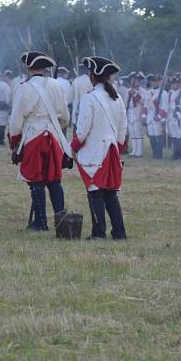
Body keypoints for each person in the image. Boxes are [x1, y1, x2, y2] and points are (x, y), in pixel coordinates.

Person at [8, 51, 70, 232]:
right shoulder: (57, 85)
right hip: (53, 136)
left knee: (35, 181)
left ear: (29, 68)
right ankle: (61, 221)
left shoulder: (23, 87)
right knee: (54, 180)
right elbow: (65, 117)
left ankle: (41, 223)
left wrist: (15, 141)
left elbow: (16, 120)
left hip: (33, 136)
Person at [72, 56, 128, 240]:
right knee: (111, 194)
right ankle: (119, 232)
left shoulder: (89, 98)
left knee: (95, 192)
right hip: (112, 151)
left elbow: (82, 129)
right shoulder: (117, 97)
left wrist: (74, 146)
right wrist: (118, 148)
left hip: (94, 150)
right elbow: (123, 128)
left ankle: (99, 232)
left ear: (92, 75)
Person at [125, 71, 148, 157]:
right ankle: (134, 151)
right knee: (132, 133)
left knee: (138, 132)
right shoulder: (128, 90)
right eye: (133, 80)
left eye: (137, 80)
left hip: (138, 112)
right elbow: (125, 103)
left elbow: (143, 101)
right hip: (130, 113)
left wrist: (134, 94)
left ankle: (139, 152)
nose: (135, 82)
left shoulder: (143, 91)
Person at [145, 74, 168, 159]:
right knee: (152, 136)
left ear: (160, 82)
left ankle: (159, 154)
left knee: (159, 136)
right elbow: (145, 106)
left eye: (156, 81)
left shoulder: (163, 93)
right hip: (150, 117)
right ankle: (154, 153)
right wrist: (144, 115)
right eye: (153, 81)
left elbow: (165, 107)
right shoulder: (148, 93)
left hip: (158, 117)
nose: (154, 83)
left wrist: (159, 116)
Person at [166, 76, 181, 160]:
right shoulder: (170, 93)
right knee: (174, 136)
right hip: (171, 116)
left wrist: (179, 114)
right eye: (173, 83)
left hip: (179, 118)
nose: (174, 85)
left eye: (176, 83)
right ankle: (176, 153)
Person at [71, 63, 92, 128]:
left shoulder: (76, 80)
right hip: (89, 108)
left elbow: (73, 97)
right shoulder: (91, 80)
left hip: (77, 110)